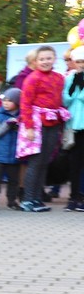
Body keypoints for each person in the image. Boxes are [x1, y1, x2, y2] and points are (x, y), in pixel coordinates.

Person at [19, 45, 68, 212]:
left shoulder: (59, 78)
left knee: (45, 161)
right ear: (36, 61)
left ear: (54, 59)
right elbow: (25, 103)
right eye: (42, 59)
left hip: (53, 124)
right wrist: (29, 128)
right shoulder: (32, 78)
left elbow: (61, 100)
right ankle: (27, 200)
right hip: (37, 124)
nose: (45, 61)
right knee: (35, 162)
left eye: (49, 58)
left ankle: (37, 199)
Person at [0, 88, 22, 210]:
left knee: (13, 180)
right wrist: (7, 124)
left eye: (9, 101)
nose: (5, 103)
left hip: (14, 155)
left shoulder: (22, 116)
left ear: (17, 102)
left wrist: (18, 126)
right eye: (4, 100)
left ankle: (11, 201)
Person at [62, 47, 84, 211]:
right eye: (79, 61)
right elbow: (65, 100)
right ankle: (73, 197)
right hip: (73, 127)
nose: (81, 64)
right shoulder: (70, 78)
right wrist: (72, 88)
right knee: (74, 164)